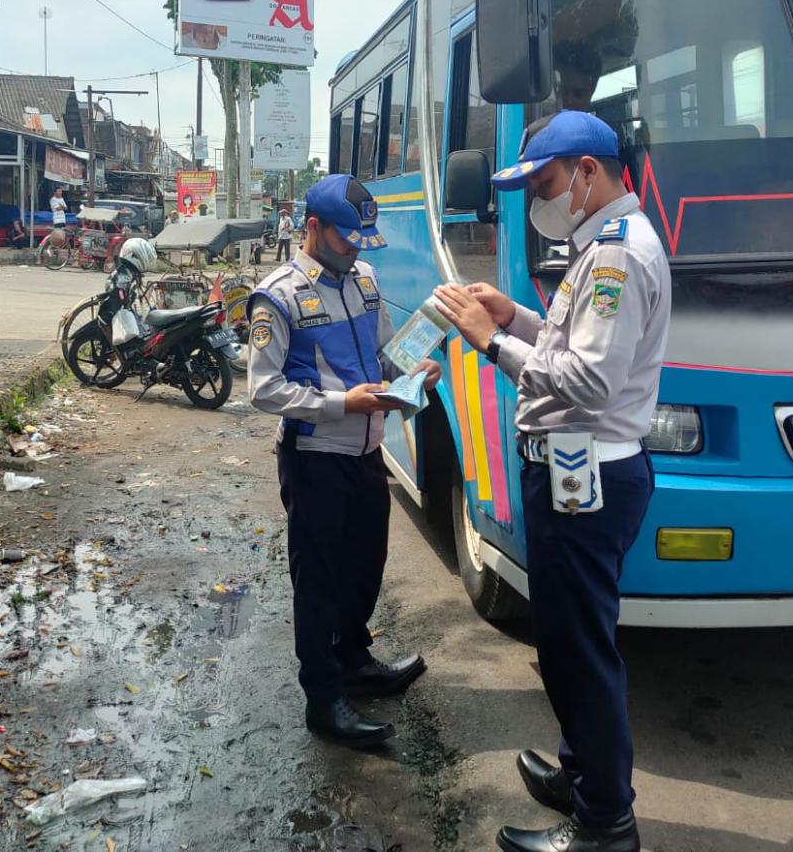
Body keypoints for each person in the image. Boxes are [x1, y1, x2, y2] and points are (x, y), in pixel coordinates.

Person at [434, 111, 671, 852]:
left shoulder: (616, 258)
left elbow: (590, 381)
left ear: (589, 173)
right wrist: (519, 318)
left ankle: (604, 824)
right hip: (577, 473)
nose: (539, 200)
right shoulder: (600, 246)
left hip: (588, 477)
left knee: (580, 652)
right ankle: (584, 775)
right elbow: (575, 345)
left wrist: (491, 341)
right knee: (566, 642)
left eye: (545, 183)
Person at [246, 174, 441, 749]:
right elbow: (263, 389)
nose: (355, 248)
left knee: (365, 565)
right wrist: (340, 404)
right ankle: (323, 699)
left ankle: (354, 660)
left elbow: (383, 352)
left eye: (362, 238)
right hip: (316, 459)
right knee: (319, 582)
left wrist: (414, 373)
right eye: (345, 237)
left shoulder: (365, 279)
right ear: (313, 227)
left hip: (367, 452)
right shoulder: (276, 296)